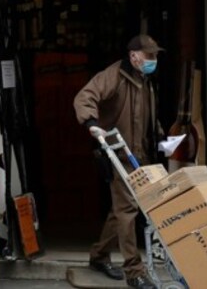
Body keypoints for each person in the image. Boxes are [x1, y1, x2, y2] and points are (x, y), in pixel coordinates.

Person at [73, 34, 164, 289]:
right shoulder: (114, 75)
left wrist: (159, 136)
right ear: (134, 56)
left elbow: (145, 114)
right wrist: (91, 124)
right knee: (128, 210)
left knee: (121, 210)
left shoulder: (144, 80)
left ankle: (99, 255)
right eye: (149, 56)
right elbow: (84, 97)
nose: (153, 60)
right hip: (118, 154)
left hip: (140, 154)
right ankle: (134, 271)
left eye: (155, 56)